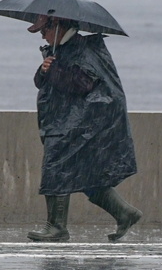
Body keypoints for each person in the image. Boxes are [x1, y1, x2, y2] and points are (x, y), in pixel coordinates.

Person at [26, 14, 142, 242]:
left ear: (57, 26)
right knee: (86, 176)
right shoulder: (59, 49)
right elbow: (43, 82)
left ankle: (56, 227)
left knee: (56, 168)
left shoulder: (83, 50)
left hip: (78, 126)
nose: (42, 35)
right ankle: (125, 213)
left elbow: (82, 84)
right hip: (64, 122)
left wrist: (53, 70)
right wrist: (43, 70)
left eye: (44, 30)